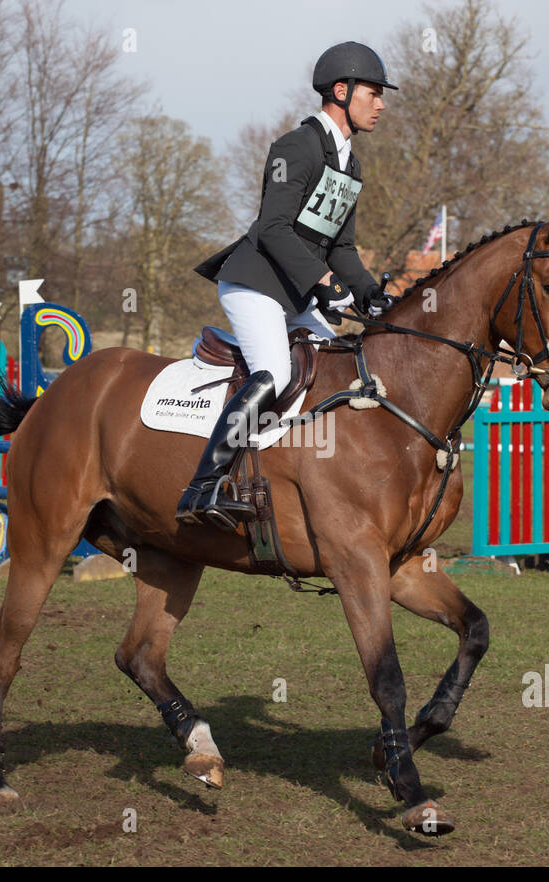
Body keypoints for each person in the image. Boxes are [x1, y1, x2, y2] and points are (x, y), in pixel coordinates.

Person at [177, 40, 397, 531]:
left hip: (296, 292)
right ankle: (203, 485)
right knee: (275, 372)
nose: (381, 104)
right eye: (373, 93)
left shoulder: (350, 165)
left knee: (336, 369)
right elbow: (274, 228)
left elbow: (340, 246)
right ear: (341, 91)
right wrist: (323, 282)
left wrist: (366, 291)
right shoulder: (295, 147)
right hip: (255, 283)